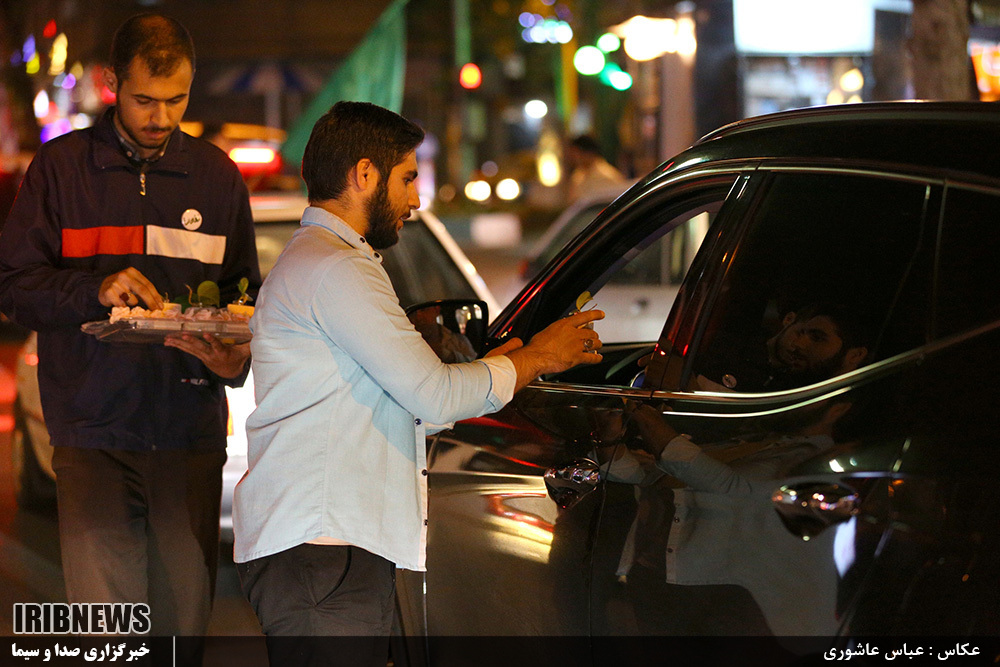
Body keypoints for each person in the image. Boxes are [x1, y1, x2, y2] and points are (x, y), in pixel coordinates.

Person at [233, 101, 604, 666]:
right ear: (364, 174)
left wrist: (494, 368)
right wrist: (538, 358)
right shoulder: (337, 268)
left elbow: (413, 404)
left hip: (328, 549)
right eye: (407, 178)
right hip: (321, 549)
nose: (415, 199)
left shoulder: (330, 260)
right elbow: (432, 395)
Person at [0, 13, 260, 656]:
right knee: (108, 637)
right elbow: (14, 287)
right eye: (145, 99)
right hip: (92, 435)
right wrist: (93, 289)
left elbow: (245, 300)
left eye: (177, 100)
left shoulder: (218, 178)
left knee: (181, 635)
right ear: (112, 82)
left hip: (188, 434)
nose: (161, 117)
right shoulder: (61, 170)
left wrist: (235, 359)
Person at [693, 302, 871, 392]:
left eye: (817, 338)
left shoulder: (798, 387)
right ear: (788, 320)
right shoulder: (726, 345)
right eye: (800, 333)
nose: (799, 345)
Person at [564, 134, 626, 202]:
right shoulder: (578, 175)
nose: (573, 158)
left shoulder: (607, 175)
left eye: (576, 153)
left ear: (588, 152)